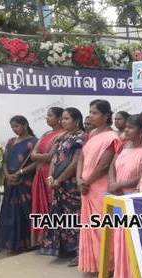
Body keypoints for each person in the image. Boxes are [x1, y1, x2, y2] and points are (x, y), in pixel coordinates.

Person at [108, 114, 142, 278]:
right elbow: (112, 166)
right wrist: (112, 183)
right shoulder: (124, 146)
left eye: (130, 128)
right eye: (125, 127)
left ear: (141, 132)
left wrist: (121, 185)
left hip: (134, 200)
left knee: (133, 242)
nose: (125, 130)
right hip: (118, 199)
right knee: (120, 239)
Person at [76, 99, 120, 278]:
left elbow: (104, 165)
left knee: (103, 228)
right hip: (86, 186)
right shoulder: (92, 133)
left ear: (106, 115)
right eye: (90, 112)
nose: (91, 116)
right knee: (90, 227)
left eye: (95, 113)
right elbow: (81, 158)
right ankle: (93, 263)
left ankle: (108, 266)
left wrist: (86, 181)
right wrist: (79, 179)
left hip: (100, 187)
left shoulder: (112, 137)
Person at [40, 108, 86, 266]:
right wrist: (51, 176)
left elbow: (75, 163)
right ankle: (65, 249)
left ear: (76, 121)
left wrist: (59, 179)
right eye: (63, 119)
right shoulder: (62, 136)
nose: (62, 121)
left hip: (71, 184)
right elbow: (54, 158)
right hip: (58, 184)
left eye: (66, 119)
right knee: (61, 216)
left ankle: (79, 252)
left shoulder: (81, 138)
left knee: (75, 217)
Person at [0, 116, 38, 253]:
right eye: (12, 127)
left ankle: (27, 243)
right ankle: (10, 244)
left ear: (25, 125)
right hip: (10, 182)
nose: (15, 130)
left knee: (24, 211)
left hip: (25, 182)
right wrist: (8, 175)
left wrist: (20, 172)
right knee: (9, 212)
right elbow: (4, 161)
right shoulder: (10, 142)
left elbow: (36, 162)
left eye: (17, 126)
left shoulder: (33, 142)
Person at [30, 107, 65, 247]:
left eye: (50, 115)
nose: (47, 118)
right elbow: (33, 154)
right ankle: (40, 240)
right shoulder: (46, 133)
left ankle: (53, 241)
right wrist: (40, 157)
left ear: (59, 118)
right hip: (40, 174)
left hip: (51, 173)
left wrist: (39, 157)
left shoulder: (63, 134)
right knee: (39, 205)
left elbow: (51, 156)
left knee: (52, 205)